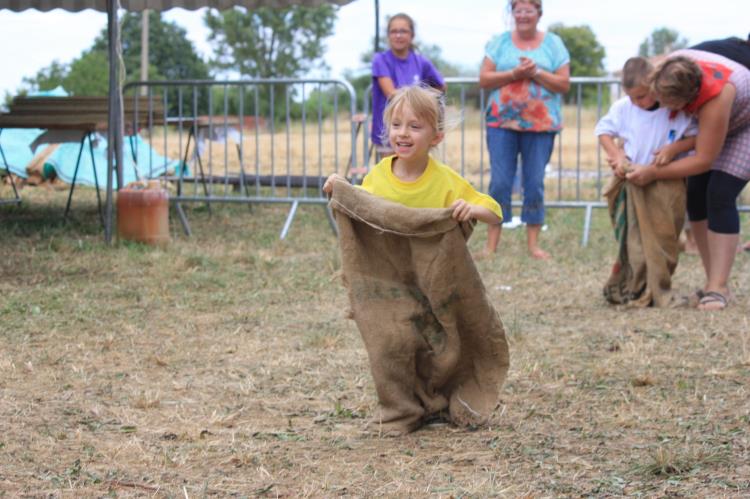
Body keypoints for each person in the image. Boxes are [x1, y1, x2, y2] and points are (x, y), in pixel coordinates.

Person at [626, 50, 750, 311]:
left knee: (720, 193)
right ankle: (711, 281)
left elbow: (703, 159)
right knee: (695, 195)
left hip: (744, 126)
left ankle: (719, 287)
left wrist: (654, 172)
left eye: (665, 104)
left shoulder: (715, 99)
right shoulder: (660, 69)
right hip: (712, 125)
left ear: (687, 102)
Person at [595, 57, 697, 307]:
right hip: (633, 184)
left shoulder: (673, 109)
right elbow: (604, 131)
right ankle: (636, 285)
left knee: (664, 238)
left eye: (642, 96)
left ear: (654, 87)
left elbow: (695, 138)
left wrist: (674, 149)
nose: (637, 102)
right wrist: (617, 155)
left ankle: (659, 285)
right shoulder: (623, 108)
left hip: (665, 184)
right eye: (632, 97)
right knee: (634, 239)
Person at [325, 85, 502, 225]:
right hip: (388, 266)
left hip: (429, 266)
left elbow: (495, 214)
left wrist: (470, 209)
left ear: (436, 137)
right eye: (396, 124)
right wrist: (340, 187)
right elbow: (358, 204)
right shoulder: (379, 174)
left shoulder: (446, 181)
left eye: (414, 126)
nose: (402, 133)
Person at [477, 0, 570, 260]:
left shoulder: (554, 44)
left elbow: (564, 84)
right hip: (501, 124)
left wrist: (536, 72)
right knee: (500, 182)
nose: (524, 15)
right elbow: (484, 79)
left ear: (539, 13)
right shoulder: (499, 42)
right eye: (519, 10)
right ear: (512, 13)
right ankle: (491, 245)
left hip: (541, 125)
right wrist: (515, 73)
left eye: (529, 9)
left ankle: (533, 245)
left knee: (534, 182)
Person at [370, 13, 446, 160]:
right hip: (389, 131)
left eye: (403, 31)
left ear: (412, 35)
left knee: (416, 174)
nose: (398, 35)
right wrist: (417, 97)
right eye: (394, 31)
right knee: (389, 174)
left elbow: (441, 86)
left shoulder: (421, 62)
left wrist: (426, 101)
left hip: (417, 132)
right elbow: (391, 94)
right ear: (388, 35)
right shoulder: (380, 60)